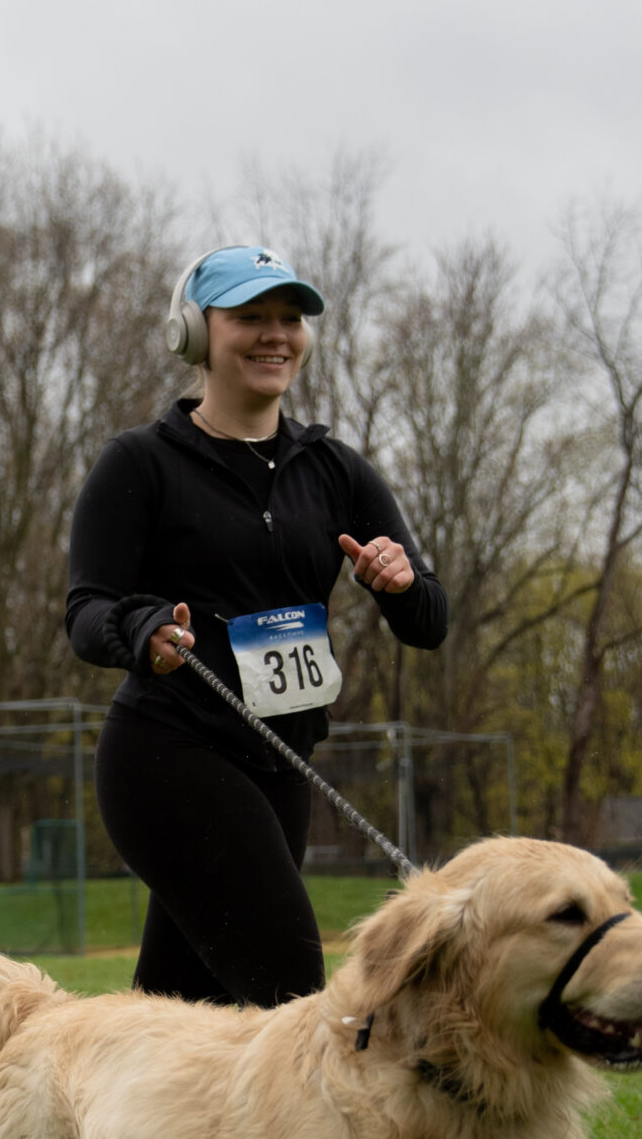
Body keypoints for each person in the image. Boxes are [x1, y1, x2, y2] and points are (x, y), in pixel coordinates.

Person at [66, 247, 446, 1006]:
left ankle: (104, 1090)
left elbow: (429, 621)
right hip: (168, 758)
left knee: (183, 1010)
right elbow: (87, 610)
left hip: (282, 764)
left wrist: (401, 583)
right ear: (194, 332)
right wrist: (142, 629)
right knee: (290, 991)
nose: (276, 334)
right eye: (250, 317)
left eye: (290, 318)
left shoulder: (335, 470)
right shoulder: (139, 462)